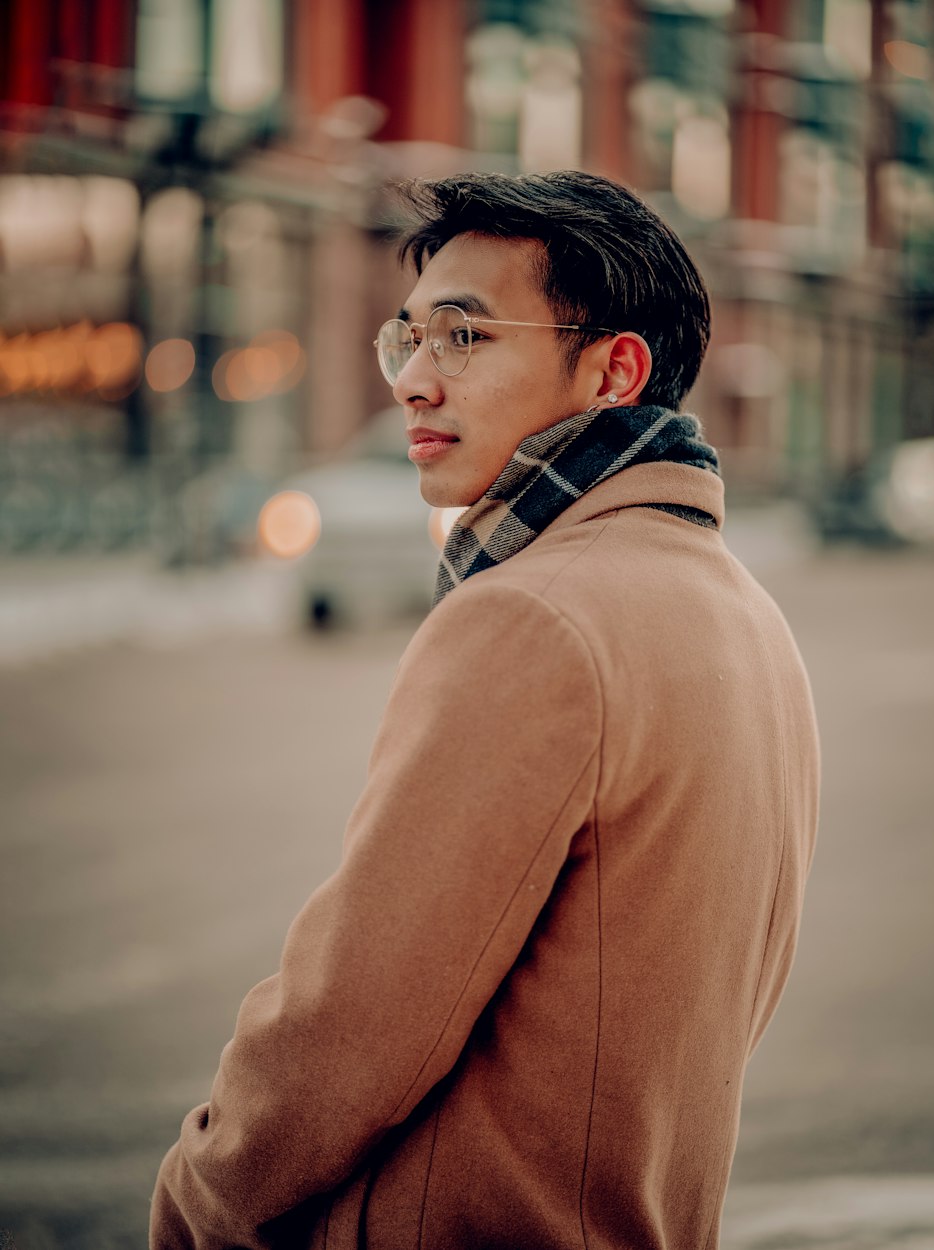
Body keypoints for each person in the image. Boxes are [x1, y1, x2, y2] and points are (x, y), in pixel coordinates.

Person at [150, 171, 819, 1250]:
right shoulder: (740, 612)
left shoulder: (534, 618)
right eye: (405, 338)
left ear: (614, 369)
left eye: (462, 338)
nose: (413, 379)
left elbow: (353, 1023)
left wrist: (198, 1198)